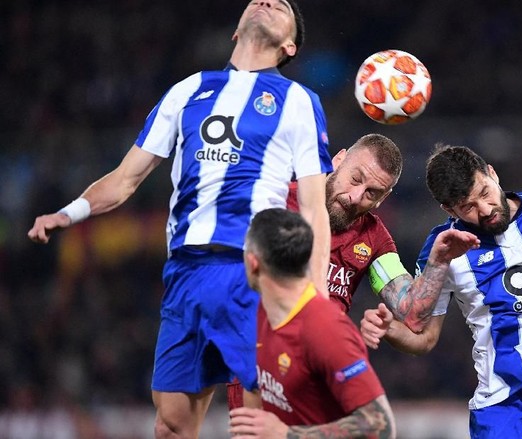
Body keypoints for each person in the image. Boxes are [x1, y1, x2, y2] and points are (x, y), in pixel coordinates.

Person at [27, 1, 332, 437]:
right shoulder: (189, 90)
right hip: (185, 274)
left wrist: (317, 295)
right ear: (235, 31)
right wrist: (68, 212)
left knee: (260, 420)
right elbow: (125, 178)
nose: (266, 1)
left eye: (281, 5)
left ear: (290, 46)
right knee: (171, 426)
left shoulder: (299, 101)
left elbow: (313, 208)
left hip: (253, 271)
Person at [361, 144, 522, 438]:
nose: (485, 210)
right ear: (449, 210)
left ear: (492, 173)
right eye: (468, 207)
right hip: (500, 408)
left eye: (485, 193)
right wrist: (390, 329)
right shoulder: (443, 247)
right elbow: (424, 339)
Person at [226, 134, 480, 408]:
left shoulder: (373, 238)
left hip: (323, 375)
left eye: (372, 193)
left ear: (383, 198)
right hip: (261, 363)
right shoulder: (274, 199)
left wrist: (439, 261)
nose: (355, 197)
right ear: (338, 160)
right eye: (355, 179)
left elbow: (412, 315)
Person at [228, 207, 395, 438]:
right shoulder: (256, 317)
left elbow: (381, 425)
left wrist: (287, 435)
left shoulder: (325, 328)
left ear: (253, 262)